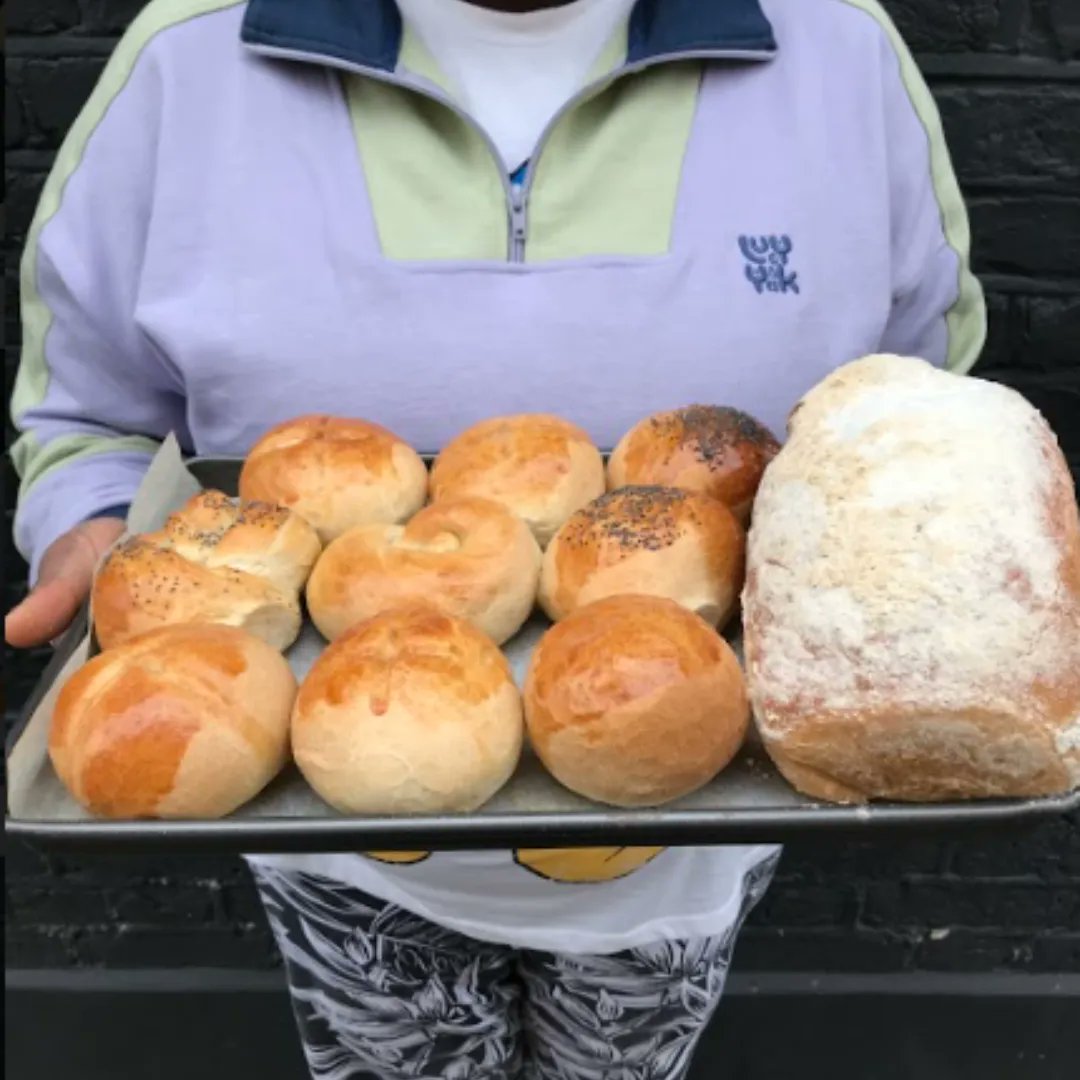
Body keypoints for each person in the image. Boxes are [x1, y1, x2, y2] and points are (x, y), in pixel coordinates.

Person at [7, 0, 985, 1076]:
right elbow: (89, 418)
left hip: (692, 838)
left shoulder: (836, 47)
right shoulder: (188, 56)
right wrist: (87, 520)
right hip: (335, 860)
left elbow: (909, 416)